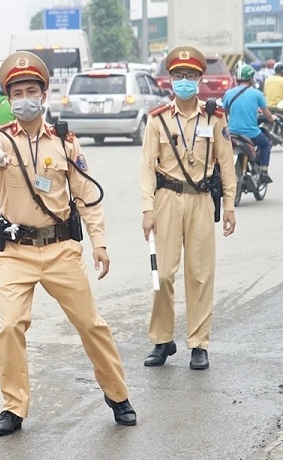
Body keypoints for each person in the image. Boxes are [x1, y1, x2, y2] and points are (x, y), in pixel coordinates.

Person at [0, 51, 136, 436]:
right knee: (10, 327)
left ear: (44, 95)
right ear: (8, 98)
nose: (25, 97)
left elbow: (86, 195)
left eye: (32, 90)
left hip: (61, 250)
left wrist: (99, 242)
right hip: (16, 253)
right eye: (17, 92)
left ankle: (118, 396)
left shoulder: (65, 142)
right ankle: (13, 407)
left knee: (90, 324)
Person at [140, 45, 237, 371]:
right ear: (170, 80)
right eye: (178, 75)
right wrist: (147, 209)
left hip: (199, 201)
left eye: (190, 76)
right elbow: (146, 167)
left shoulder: (214, 117)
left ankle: (198, 344)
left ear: (199, 79)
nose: (184, 80)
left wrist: (229, 206)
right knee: (163, 275)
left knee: (199, 275)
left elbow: (226, 163)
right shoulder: (157, 120)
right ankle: (162, 340)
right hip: (166, 199)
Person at [223, 64, 275, 184]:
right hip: (251, 134)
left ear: (237, 79)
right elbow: (267, 114)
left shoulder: (228, 94)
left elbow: (223, 114)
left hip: (232, 133)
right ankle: (264, 172)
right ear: (251, 79)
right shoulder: (257, 94)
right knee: (266, 144)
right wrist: (272, 118)